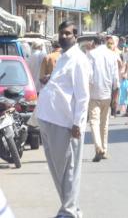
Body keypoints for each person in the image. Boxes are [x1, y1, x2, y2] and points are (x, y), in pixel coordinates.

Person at [34, 20, 90, 218]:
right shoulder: (63, 58)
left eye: (67, 33)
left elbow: (83, 95)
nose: (63, 36)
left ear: (75, 35)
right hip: (47, 118)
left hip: (64, 122)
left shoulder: (79, 59)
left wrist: (78, 123)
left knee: (69, 169)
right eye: (61, 33)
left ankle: (68, 210)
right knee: (57, 170)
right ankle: (70, 208)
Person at [88, 36, 120, 162]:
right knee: (104, 123)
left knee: (94, 122)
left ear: (94, 43)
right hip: (107, 93)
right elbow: (115, 78)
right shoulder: (112, 55)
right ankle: (104, 150)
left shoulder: (91, 54)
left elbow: (89, 75)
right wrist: (115, 96)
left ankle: (98, 147)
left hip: (94, 94)